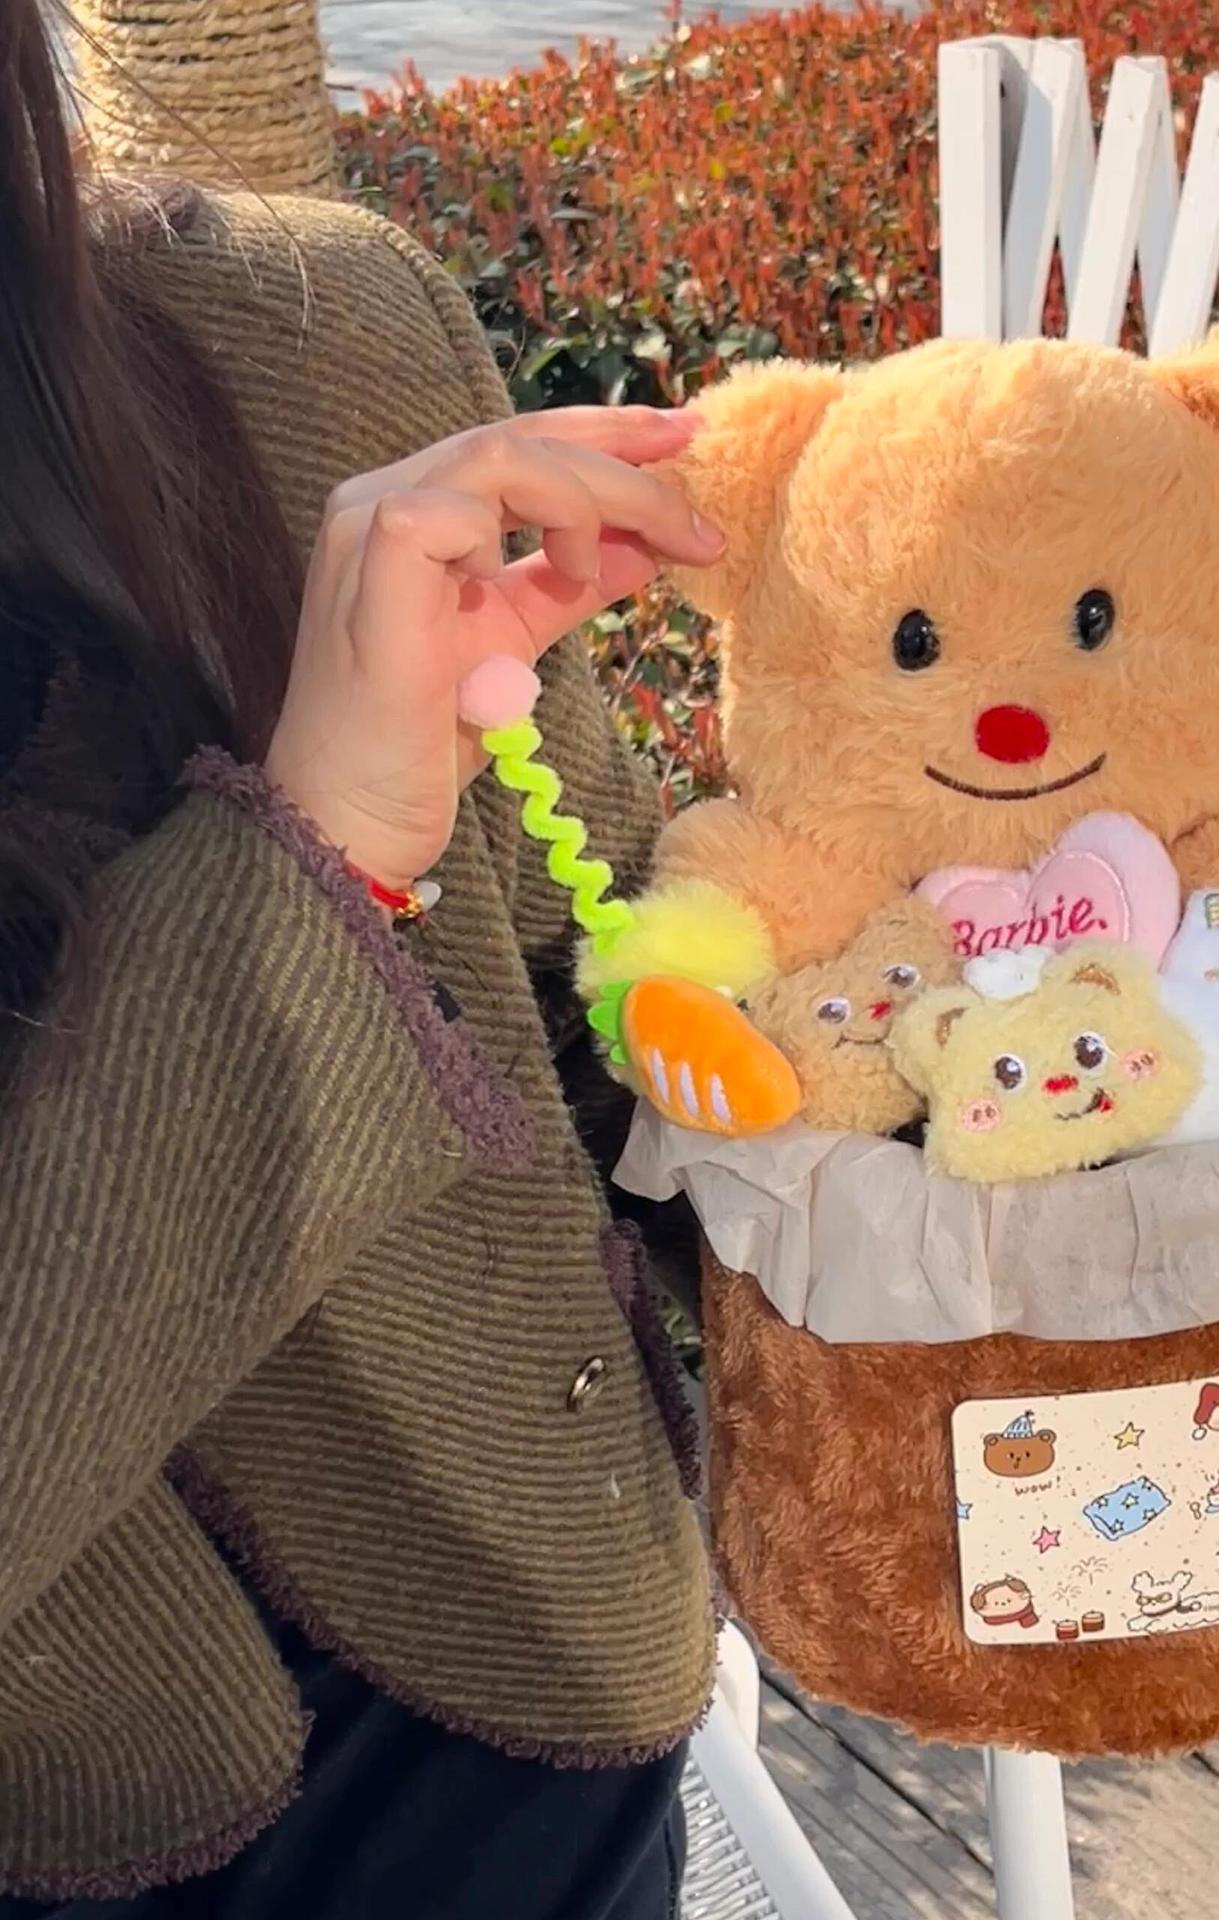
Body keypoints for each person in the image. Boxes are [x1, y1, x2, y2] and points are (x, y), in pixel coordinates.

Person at [0, 0, 726, 1911]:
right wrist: (314, 858)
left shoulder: (307, 341)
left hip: (552, 1772)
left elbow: (618, 968)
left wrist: (994, 1073)